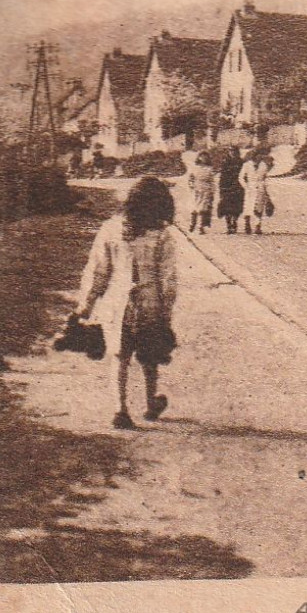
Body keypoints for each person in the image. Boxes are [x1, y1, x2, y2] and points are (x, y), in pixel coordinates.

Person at [77, 177, 180, 430]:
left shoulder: (111, 229)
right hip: (150, 304)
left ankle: (120, 409)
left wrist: (87, 304)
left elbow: (98, 271)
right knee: (150, 355)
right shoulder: (162, 235)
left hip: (117, 302)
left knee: (119, 356)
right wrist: (166, 313)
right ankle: (149, 404)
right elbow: (168, 279)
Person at [240, 150, 271, 235]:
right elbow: (241, 178)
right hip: (250, 188)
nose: (258, 158)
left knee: (259, 208)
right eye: (256, 156)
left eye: (259, 156)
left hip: (260, 188)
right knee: (248, 208)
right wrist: (246, 186)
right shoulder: (246, 165)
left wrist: (265, 189)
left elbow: (265, 178)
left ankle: (258, 226)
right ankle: (247, 224)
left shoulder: (263, 165)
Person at [185, 152, 216, 235]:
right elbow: (190, 178)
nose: (203, 158)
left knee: (203, 209)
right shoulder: (194, 168)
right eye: (202, 157)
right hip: (196, 189)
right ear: (199, 158)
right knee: (194, 208)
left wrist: (212, 192)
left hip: (206, 190)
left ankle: (200, 227)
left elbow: (212, 181)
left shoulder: (209, 169)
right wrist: (191, 185)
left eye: (205, 157)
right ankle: (192, 224)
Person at [217, 146, 245, 234]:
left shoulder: (241, 162)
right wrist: (221, 188)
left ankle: (234, 222)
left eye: (234, 151)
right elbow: (222, 176)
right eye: (231, 151)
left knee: (237, 207)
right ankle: (229, 225)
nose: (232, 153)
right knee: (227, 207)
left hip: (238, 187)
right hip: (227, 187)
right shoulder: (225, 162)